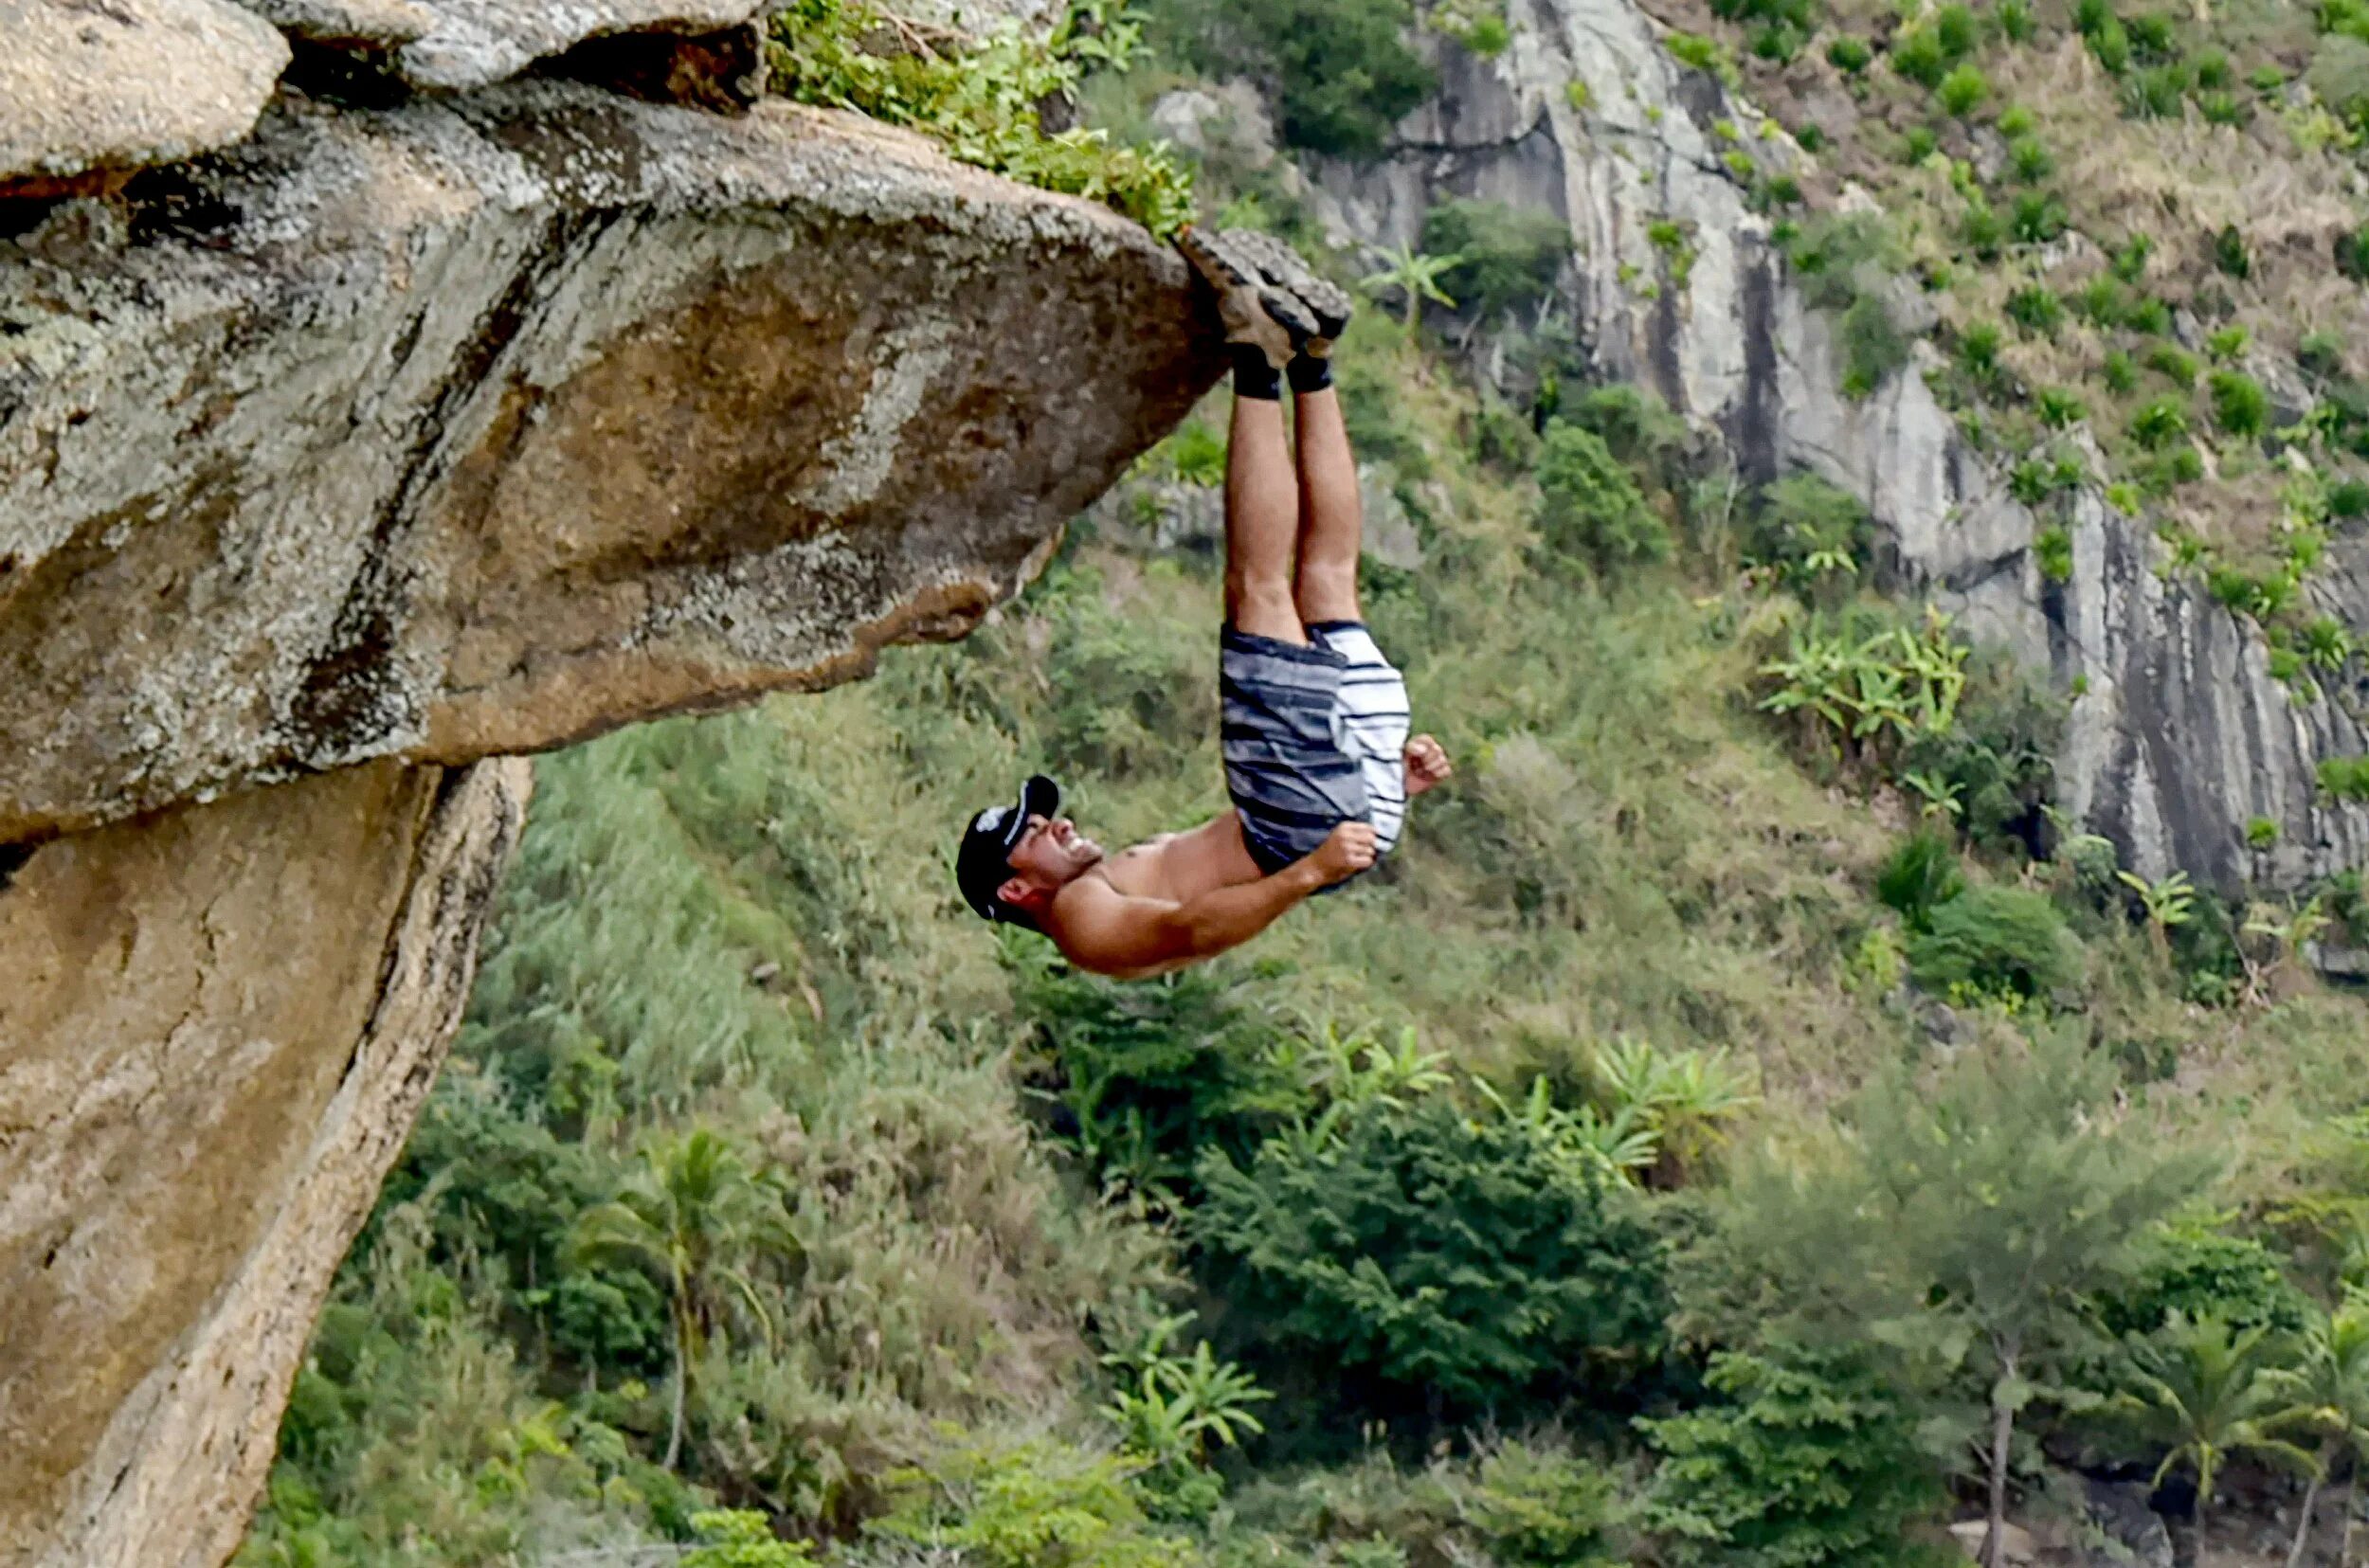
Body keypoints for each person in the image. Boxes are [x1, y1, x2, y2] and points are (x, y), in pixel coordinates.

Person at [953, 228, 1452, 980]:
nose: (1058, 823)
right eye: (1035, 831)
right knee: (1260, 589)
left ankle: (1314, 357)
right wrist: (1308, 871)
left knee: (1326, 578)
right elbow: (1193, 932)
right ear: (1018, 888)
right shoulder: (1084, 925)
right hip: (1308, 823)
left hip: (1338, 795)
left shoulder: (1105, 882)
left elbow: (1211, 875)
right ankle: (1257, 347)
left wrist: (1382, 777)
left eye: (1044, 815)